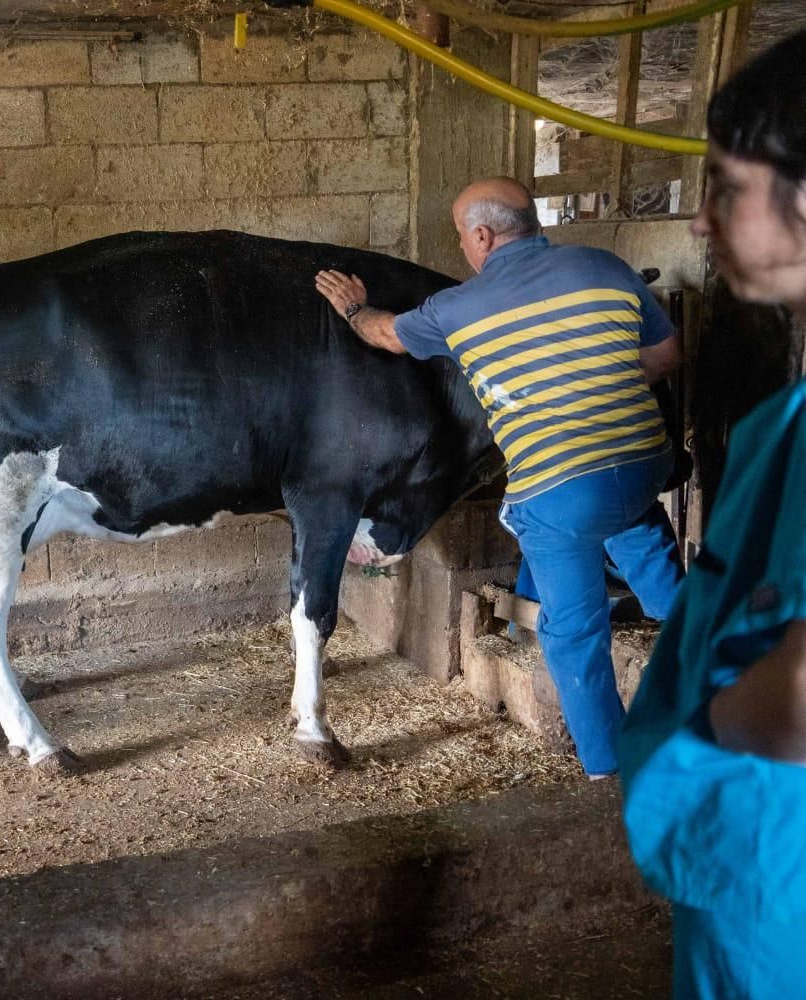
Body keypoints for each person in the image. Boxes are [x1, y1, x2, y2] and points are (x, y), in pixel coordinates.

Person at [314, 176, 685, 778]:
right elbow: (669, 357)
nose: (462, 246)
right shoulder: (603, 264)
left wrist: (354, 306)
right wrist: (598, 373)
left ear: (482, 235)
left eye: (461, 235)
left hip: (561, 491)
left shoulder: (457, 308)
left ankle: (607, 768)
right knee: (630, 521)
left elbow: (384, 334)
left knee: (573, 631)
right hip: (646, 462)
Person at [619, 31, 806, 999]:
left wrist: (681, 761)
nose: (699, 221)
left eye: (727, 187)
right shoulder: (788, 411)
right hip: (752, 872)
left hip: (779, 879)